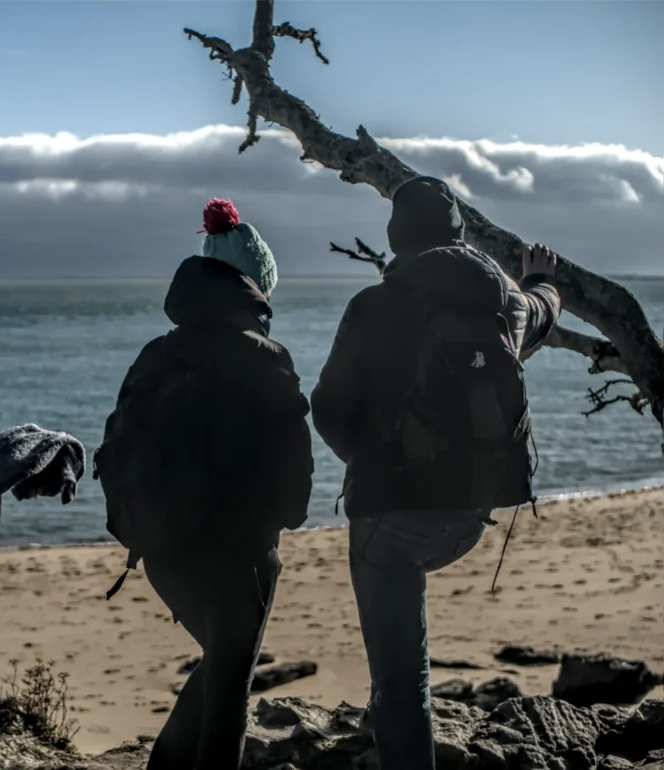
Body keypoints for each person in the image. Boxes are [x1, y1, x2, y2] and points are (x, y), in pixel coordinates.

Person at [310, 176, 561, 770]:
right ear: (458, 233)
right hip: (472, 515)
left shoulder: (374, 305)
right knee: (403, 658)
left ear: (396, 239)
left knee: (401, 679)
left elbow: (326, 407)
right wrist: (540, 277)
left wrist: (370, 466)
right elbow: (544, 312)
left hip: (391, 518)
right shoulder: (501, 300)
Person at [95, 199, 314, 770]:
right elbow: (295, 463)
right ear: (256, 290)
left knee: (222, 665)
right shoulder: (266, 357)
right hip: (239, 553)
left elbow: (119, 438)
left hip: (163, 550)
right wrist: (285, 519)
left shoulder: (154, 353)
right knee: (227, 694)